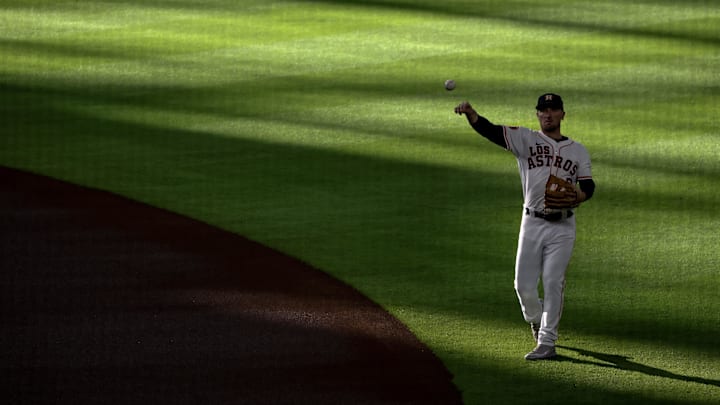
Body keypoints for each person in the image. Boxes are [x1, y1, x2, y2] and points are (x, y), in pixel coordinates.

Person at [454, 93, 595, 360]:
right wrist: (472, 115)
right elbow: (492, 132)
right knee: (523, 285)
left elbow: (588, 185)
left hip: (562, 227)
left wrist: (580, 195)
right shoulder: (526, 140)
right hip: (531, 223)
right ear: (537, 114)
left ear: (563, 114)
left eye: (553, 110)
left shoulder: (578, 150)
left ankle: (547, 342)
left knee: (553, 281)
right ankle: (536, 318)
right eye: (543, 110)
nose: (548, 114)